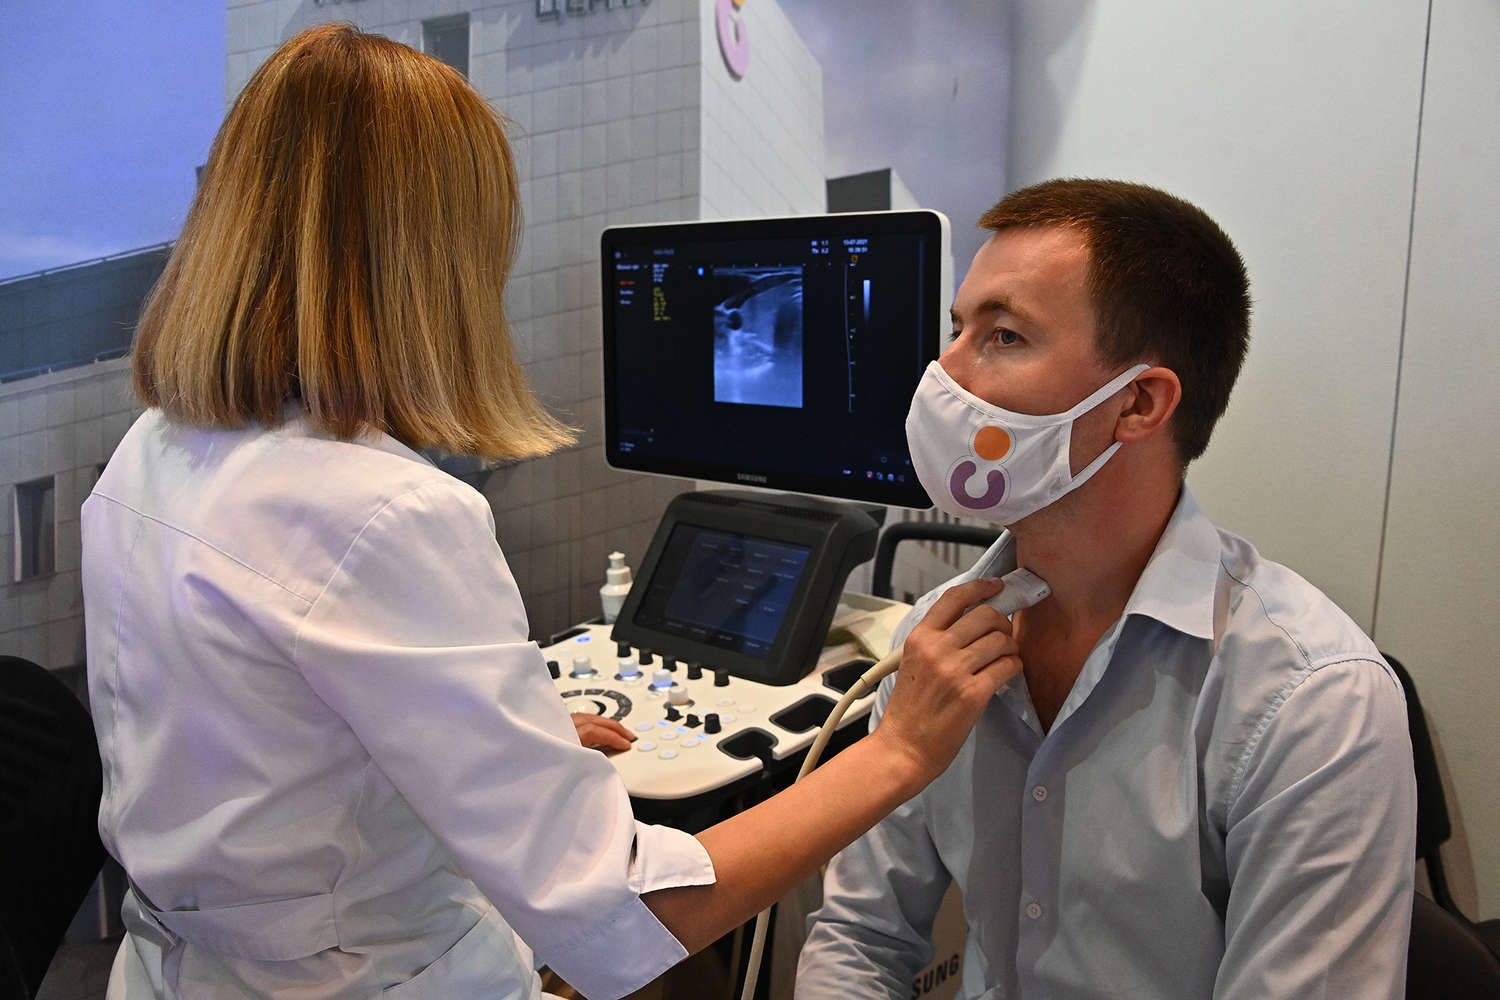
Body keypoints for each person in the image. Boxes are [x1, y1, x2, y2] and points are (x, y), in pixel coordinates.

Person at [82, 25, 1023, 1000]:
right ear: (432, 257)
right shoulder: (388, 513)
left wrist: (490, 739)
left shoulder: (154, 451)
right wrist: (899, 749)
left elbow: (261, 750)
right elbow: (617, 923)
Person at [795, 179, 1418, 999]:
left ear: (1138, 403)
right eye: (957, 330)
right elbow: (861, 937)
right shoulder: (934, 643)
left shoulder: (1314, 704)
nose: (945, 373)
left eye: (1004, 336)